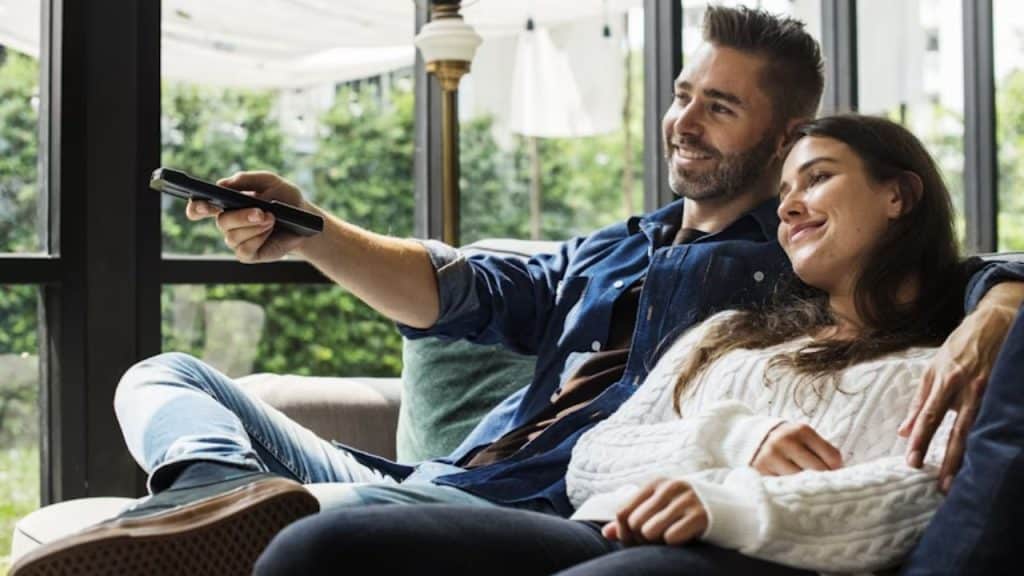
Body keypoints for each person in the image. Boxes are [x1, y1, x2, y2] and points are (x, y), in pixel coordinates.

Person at [9, 7, 1023, 576]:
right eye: (681, 95)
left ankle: (235, 518)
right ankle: (209, 496)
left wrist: (1003, 295)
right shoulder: (612, 246)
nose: (685, 120)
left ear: (782, 134)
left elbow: (931, 268)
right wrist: (306, 230)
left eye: (719, 107)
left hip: (526, 505)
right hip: (437, 477)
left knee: (340, 541)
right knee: (163, 372)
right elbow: (460, 289)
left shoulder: (790, 262)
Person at [251, 114, 1012, 576]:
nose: (789, 208)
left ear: (898, 195)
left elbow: (913, 497)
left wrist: (727, 503)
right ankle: (222, 499)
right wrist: (732, 437)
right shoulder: (728, 335)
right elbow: (592, 460)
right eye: (783, 195)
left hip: (740, 558)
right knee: (317, 551)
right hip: (593, 530)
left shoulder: (940, 362)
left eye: (816, 180)